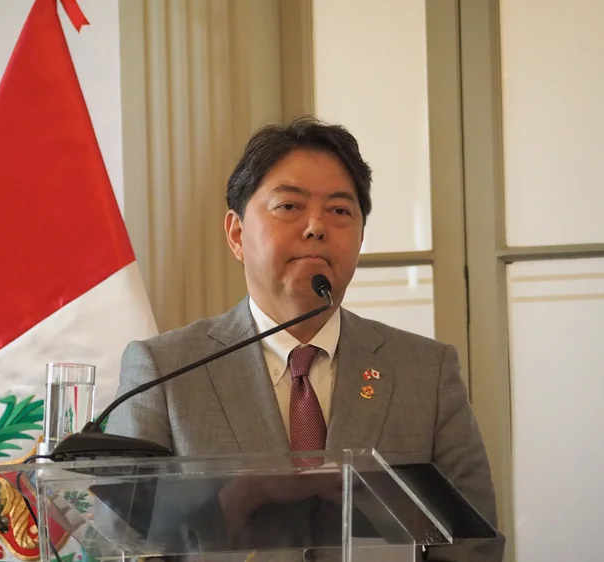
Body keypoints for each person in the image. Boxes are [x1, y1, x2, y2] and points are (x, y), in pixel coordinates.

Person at [106, 116, 504, 561]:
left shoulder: (426, 372)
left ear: (359, 237)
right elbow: (121, 542)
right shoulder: (165, 370)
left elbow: (475, 544)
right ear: (237, 234)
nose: (316, 226)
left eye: (339, 211)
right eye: (289, 207)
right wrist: (239, 498)